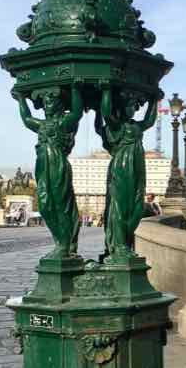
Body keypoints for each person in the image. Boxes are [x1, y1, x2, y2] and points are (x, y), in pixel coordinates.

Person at [14, 83, 84, 257]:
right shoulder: (43, 125)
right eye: (44, 102)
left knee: (61, 205)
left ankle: (65, 245)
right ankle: (60, 241)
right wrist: (21, 100)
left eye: (50, 101)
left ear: (59, 105)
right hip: (43, 166)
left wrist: (75, 87)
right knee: (45, 205)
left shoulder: (64, 122)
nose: (46, 105)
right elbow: (27, 119)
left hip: (57, 164)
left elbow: (76, 112)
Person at [94, 84, 161, 255]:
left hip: (137, 169)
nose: (132, 109)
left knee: (137, 207)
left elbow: (150, 120)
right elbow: (107, 114)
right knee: (120, 205)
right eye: (129, 105)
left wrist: (154, 100)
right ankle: (120, 244)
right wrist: (107, 90)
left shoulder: (136, 126)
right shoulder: (118, 126)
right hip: (123, 167)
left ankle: (126, 240)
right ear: (122, 108)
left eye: (133, 106)